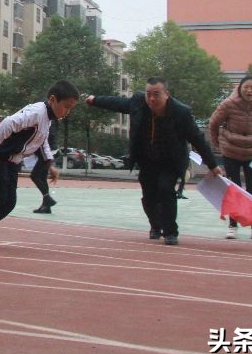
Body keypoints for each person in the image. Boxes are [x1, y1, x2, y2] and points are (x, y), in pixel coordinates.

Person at [86, 78, 223, 245]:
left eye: (156, 95)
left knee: (166, 189)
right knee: (149, 196)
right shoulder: (138, 103)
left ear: (167, 94)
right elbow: (119, 103)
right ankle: (155, 226)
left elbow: (198, 139)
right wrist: (95, 100)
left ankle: (171, 232)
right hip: (146, 159)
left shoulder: (181, 113)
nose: (151, 99)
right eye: (148, 94)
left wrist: (213, 165)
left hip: (170, 160)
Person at [0, 81, 80, 245]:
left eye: (71, 108)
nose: (68, 112)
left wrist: (49, 163)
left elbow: (41, 140)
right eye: (67, 106)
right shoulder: (37, 113)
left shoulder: (47, 119)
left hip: (10, 163)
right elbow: (9, 123)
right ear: (53, 99)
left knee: (8, 203)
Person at [208, 76, 252, 241]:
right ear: (240, 88)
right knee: (234, 190)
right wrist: (218, 143)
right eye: (246, 87)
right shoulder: (228, 104)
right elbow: (213, 122)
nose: (249, 90)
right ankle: (232, 225)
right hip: (231, 151)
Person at [31, 120, 58, 213]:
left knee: (34, 176)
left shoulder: (46, 120)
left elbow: (46, 138)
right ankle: (46, 206)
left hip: (47, 151)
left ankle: (47, 198)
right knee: (42, 177)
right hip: (47, 150)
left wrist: (50, 164)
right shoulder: (47, 118)